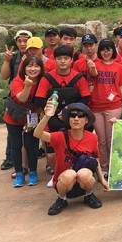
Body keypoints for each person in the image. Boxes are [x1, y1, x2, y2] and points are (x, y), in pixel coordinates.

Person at [34, 101, 108, 215]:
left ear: (86, 120)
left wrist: (102, 180)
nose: (76, 118)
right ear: (68, 120)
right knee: (70, 174)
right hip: (64, 182)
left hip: (83, 182)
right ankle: (62, 199)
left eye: (81, 115)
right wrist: (47, 116)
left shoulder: (92, 138)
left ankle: (88, 194)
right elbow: (37, 134)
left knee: (84, 174)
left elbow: (96, 159)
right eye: (72, 115)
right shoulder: (60, 136)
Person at [35, 45, 91, 187]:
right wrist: (52, 111)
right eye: (59, 58)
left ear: (71, 60)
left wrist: (68, 111)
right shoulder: (47, 78)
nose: (63, 61)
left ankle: (78, 174)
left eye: (66, 58)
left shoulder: (78, 77)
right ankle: (56, 174)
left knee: (76, 148)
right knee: (53, 152)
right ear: (54, 60)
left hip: (74, 116)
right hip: (53, 117)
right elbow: (40, 98)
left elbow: (86, 97)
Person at [90, 39, 122, 177]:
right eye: (103, 50)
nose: (106, 53)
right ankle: (104, 168)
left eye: (109, 50)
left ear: (113, 51)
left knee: (111, 139)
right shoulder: (95, 64)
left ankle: (115, 166)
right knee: (101, 140)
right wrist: (92, 67)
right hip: (96, 107)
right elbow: (93, 74)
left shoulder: (119, 67)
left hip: (113, 106)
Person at [4, 55, 44, 187]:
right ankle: (19, 173)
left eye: (36, 66)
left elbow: (41, 102)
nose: (33, 69)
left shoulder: (43, 81)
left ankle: (33, 172)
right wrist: (27, 86)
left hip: (31, 115)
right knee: (16, 145)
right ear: (24, 68)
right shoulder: (18, 80)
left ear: (41, 68)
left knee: (31, 145)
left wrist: (31, 120)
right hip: (13, 117)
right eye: (29, 66)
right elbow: (21, 99)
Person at [0, 29, 32, 171]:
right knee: (13, 131)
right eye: (19, 41)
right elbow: (4, 76)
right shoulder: (13, 57)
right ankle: (10, 158)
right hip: (16, 98)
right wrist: (7, 60)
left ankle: (31, 159)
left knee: (32, 129)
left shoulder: (35, 57)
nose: (23, 44)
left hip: (32, 98)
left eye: (25, 41)